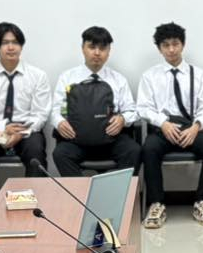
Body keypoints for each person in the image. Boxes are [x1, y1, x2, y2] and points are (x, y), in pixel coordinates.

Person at [137, 21, 203, 228]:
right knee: (148, 149)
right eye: (165, 45)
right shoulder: (150, 76)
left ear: (183, 45)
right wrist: (163, 123)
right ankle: (156, 203)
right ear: (159, 48)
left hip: (190, 128)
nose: (171, 49)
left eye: (175, 44)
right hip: (163, 130)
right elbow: (143, 108)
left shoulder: (198, 74)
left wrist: (196, 127)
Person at [0, 22, 54, 202]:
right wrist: (3, 130)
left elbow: (40, 114)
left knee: (35, 148)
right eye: (5, 43)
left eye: (15, 42)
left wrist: (19, 133)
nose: (11, 47)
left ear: (21, 45)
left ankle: (32, 204)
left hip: (27, 130)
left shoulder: (37, 76)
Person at [52, 26, 143, 178]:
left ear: (109, 51)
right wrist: (59, 122)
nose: (97, 52)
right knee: (60, 154)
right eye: (92, 47)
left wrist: (122, 119)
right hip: (78, 140)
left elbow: (132, 111)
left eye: (102, 48)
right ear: (83, 48)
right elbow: (55, 109)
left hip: (111, 140)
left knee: (134, 151)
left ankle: (119, 192)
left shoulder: (118, 79)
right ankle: (80, 193)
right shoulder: (67, 77)